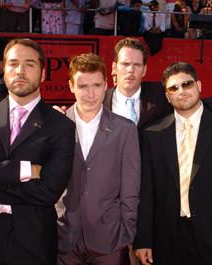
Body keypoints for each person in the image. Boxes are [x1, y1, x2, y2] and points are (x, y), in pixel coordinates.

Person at [0, 38, 75, 265]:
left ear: (43, 73)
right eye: (13, 63)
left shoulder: (61, 126)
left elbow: (48, 191)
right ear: (4, 70)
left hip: (32, 241)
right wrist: (24, 169)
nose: (20, 71)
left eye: (30, 64)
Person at [133, 62, 212, 265]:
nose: (181, 91)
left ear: (199, 85)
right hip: (166, 242)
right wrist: (143, 239)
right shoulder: (152, 134)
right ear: (167, 96)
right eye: (173, 88)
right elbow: (146, 192)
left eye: (187, 84)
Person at [56, 53, 140, 265]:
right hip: (63, 237)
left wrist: (126, 231)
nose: (91, 94)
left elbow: (131, 186)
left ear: (106, 84)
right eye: (83, 86)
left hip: (109, 238)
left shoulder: (125, 129)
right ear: (71, 86)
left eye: (96, 85)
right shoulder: (56, 125)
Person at [104, 37, 212, 147]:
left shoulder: (160, 93)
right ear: (114, 68)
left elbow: (194, 101)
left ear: (144, 70)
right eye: (125, 64)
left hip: (150, 179)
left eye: (137, 65)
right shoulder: (100, 101)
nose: (130, 70)